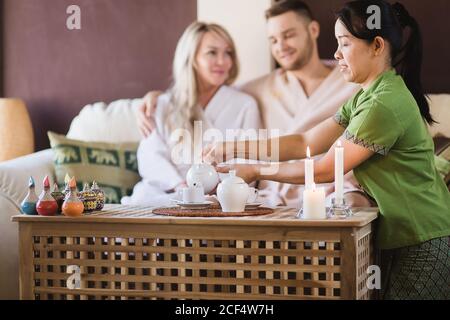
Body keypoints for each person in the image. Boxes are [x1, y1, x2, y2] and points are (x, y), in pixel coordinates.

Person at [205, 0, 450, 299]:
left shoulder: (382, 104)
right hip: (408, 236)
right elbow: (305, 142)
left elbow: (324, 169)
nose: (336, 54)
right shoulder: (367, 96)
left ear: (377, 46)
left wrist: (256, 169)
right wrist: (233, 148)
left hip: (423, 239)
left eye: (344, 43)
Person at [136, 0, 371, 208]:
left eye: (288, 35)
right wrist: (156, 98)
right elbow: (205, 91)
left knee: (353, 202)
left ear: (313, 29)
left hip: (329, 186)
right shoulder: (258, 89)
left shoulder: (351, 82)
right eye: (273, 40)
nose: (281, 46)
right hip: (276, 192)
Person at [121, 22, 260, 206]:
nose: (223, 61)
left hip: (222, 193)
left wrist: (215, 188)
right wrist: (183, 187)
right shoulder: (161, 105)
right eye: (212, 52)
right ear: (191, 57)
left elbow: (249, 159)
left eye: (228, 53)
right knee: (143, 200)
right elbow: (150, 157)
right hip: (168, 191)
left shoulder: (245, 104)